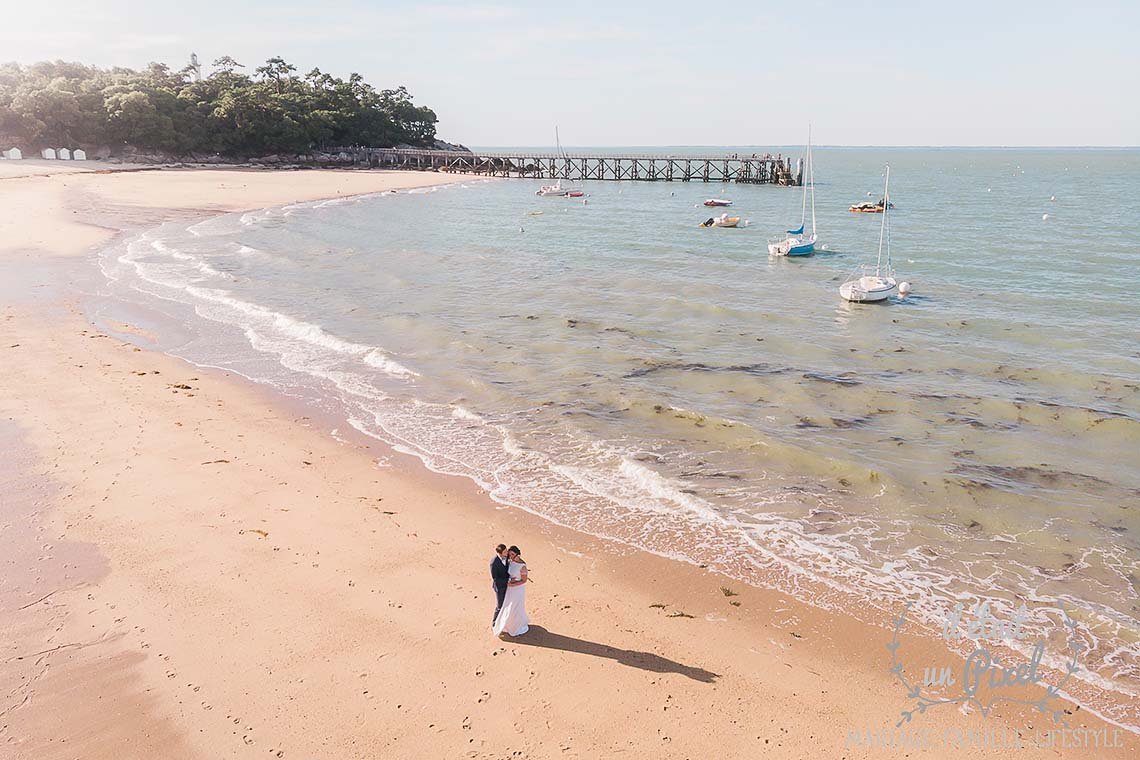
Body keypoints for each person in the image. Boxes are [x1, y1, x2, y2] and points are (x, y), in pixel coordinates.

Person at [492, 546, 529, 637]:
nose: (510, 556)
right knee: (506, 605)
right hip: (509, 589)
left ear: (518, 554)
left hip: (517, 590)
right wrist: (508, 581)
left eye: (512, 554)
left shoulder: (523, 566)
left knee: (515, 606)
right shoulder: (510, 562)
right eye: (509, 554)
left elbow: (524, 580)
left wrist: (513, 584)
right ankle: (506, 623)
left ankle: (516, 626)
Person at [489, 544, 510, 625]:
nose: (507, 552)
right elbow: (495, 579)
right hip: (500, 587)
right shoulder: (494, 563)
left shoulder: (507, 557)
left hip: (508, 586)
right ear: (500, 553)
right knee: (500, 605)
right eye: (505, 552)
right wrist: (507, 580)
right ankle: (494, 623)